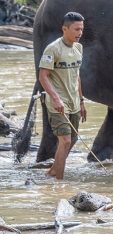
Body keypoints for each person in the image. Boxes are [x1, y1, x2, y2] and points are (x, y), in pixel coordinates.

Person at [38, 12, 87, 179]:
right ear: (64, 29)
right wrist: (55, 98)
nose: (80, 33)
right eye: (76, 29)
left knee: (71, 141)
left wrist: (81, 101)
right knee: (65, 141)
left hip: (74, 101)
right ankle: (59, 183)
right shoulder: (53, 48)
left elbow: (77, 76)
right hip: (57, 102)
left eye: (81, 29)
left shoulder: (79, 48)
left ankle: (53, 171)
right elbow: (43, 76)